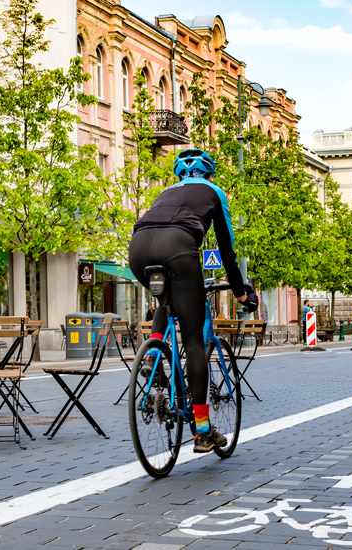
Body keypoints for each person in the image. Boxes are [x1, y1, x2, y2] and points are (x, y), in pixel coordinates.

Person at [128, 148, 258, 453]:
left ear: (179, 176)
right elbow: (227, 251)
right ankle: (202, 431)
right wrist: (241, 292)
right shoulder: (214, 192)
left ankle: (152, 357)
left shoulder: (165, 192)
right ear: (210, 175)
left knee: (166, 302)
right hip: (178, 247)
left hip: (138, 248)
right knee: (194, 339)